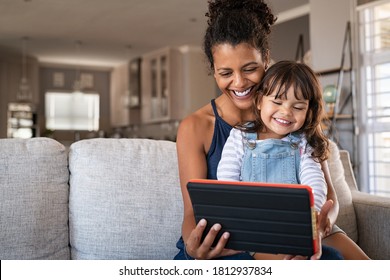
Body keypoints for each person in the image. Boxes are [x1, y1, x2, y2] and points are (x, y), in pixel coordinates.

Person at [174, 0, 345, 260]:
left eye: (250, 68)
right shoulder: (196, 127)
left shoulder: (287, 115)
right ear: (213, 71)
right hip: (233, 238)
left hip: (304, 228)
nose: (239, 82)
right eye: (225, 73)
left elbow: (327, 194)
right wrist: (193, 245)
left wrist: (322, 223)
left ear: (266, 59)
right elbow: (191, 214)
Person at [217, 60, 369, 260]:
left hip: (307, 224)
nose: (286, 112)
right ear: (260, 100)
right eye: (277, 102)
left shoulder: (304, 142)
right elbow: (226, 183)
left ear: (308, 111)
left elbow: (315, 181)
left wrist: (313, 220)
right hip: (261, 231)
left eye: (298, 107)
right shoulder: (239, 136)